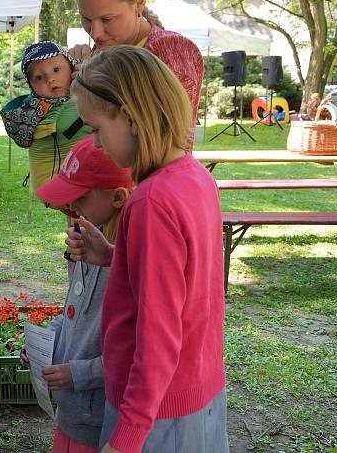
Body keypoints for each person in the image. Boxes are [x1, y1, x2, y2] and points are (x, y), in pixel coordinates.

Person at [67, 45, 227, 453]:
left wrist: (128, 436)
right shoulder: (195, 177)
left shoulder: (150, 202)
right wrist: (112, 255)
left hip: (153, 416)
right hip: (199, 393)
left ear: (131, 117)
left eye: (97, 130)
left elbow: (158, 333)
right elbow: (184, 284)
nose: (97, 145)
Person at [21, 136, 133, 453]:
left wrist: (78, 374)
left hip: (97, 416)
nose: (72, 208)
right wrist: (45, 345)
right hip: (71, 410)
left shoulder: (125, 267)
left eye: (80, 198)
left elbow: (134, 353)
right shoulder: (84, 249)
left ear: (118, 198)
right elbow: (74, 314)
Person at [71, 0, 204, 150]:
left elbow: (169, 141)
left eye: (107, 19)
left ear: (139, 2)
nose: (95, 33)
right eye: (86, 19)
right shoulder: (102, 51)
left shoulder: (171, 50)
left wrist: (92, 83)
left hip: (153, 180)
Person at [0, 42, 90, 193]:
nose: (50, 79)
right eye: (39, 77)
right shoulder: (44, 109)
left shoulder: (34, 108)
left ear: (72, 67)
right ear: (32, 88)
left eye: (56, 70)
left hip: (59, 188)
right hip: (68, 186)